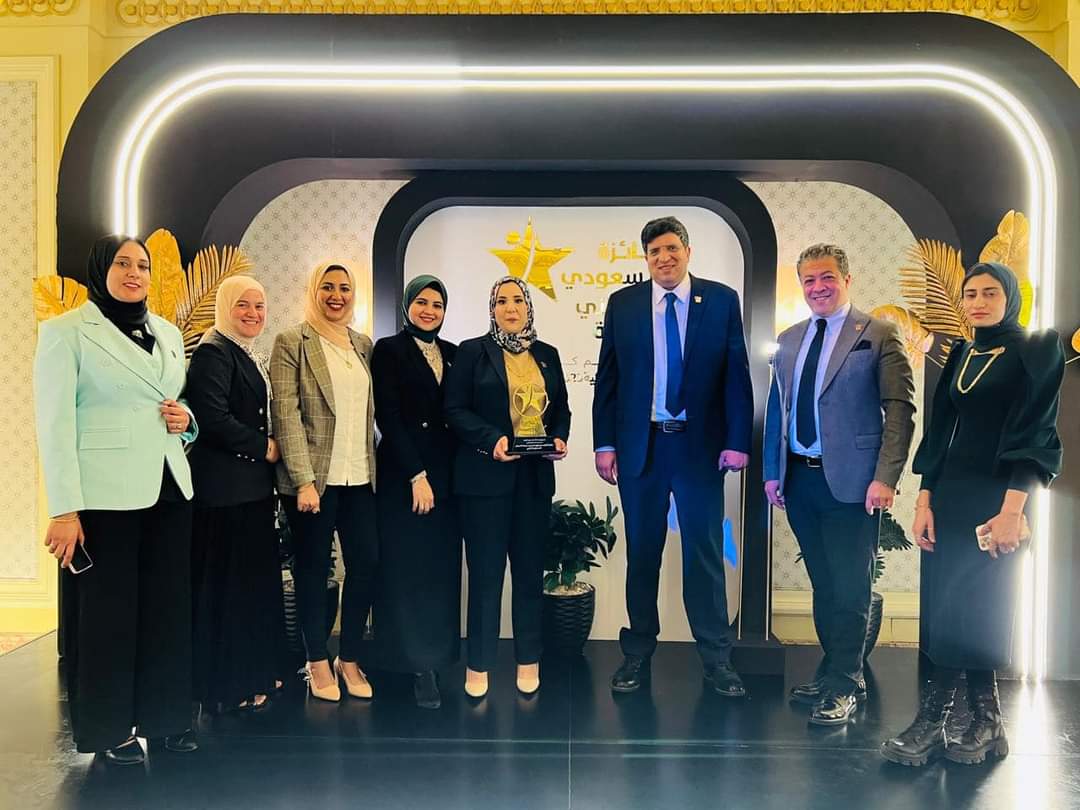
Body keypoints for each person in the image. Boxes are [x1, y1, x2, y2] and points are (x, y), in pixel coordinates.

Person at [881, 261, 1064, 766]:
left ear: (1010, 298)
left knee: (977, 605)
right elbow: (940, 432)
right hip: (951, 495)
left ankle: (933, 721)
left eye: (990, 293)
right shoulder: (962, 352)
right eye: (970, 294)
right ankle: (987, 721)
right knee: (950, 605)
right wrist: (924, 501)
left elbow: (1036, 433)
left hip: (999, 497)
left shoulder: (1036, 348)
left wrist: (1012, 511)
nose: (978, 302)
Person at [33, 235, 199, 764]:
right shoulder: (66, 333)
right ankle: (110, 731)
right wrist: (64, 509)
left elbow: (175, 402)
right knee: (110, 617)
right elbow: (54, 426)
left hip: (169, 487)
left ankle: (166, 718)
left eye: (143, 265)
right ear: (100, 269)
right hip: (104, 497)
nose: (135, 273)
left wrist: (188, 421)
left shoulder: (167, 332)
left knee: (167, 612)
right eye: (123, 263)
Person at [592, 216, 754, 697]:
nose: (663, 258)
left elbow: (736, 376)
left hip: (698, 448)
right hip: (641, 447)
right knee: (643, 553)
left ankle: (717, 659)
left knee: (704, 554)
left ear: (687, 251)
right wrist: (605, 443)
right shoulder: (623, 304)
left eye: (671, 248)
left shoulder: (720, 300)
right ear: (646, 258)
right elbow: (608, 378)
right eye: (654, 251)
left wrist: (737, 440)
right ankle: (637, 654)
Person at [763, 243, 916, 726]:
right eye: (809, 280)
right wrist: (772, 471)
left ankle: (845, 684)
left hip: (855, 483)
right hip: (800, 480)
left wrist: (885, 477)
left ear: (847, 279)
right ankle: (835, 671)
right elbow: (778, 410)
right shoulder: (789, 339)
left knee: (851, 587)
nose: (818, 287)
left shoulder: (878, 334)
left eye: (826, 277)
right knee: (824, 584)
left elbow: (900, 411)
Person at [444, 276, 571, 699]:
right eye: (502, 301)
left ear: (529, 307)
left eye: (518, 300)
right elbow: (454, 410)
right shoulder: (472, 352)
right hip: (484, 482)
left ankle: (528, 659)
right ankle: (479, 663)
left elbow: (562, 410)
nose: (510, 307)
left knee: (529, 575)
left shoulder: (547, 355)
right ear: (492, 308)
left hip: (533, 481)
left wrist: (558, 439)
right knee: (485, 577)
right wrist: (491, 440)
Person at [270, 262, 378, 703]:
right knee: (314, 570)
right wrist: (303, 481)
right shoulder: (291, 341)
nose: (337, 295)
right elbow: (286, 414)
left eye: (345, 288)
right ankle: (316, 659)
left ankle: (348, 658)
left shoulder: (362, 344)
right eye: (328, 287)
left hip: (361, 476)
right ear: (314, 291)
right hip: (314, 482)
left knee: (366, 564)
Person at [186, 276, 286, 713]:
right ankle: (228, 686)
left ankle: (254, 674)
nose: (252, 313)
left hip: (250, 492)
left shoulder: (243, 352)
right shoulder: (213, 351)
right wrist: (264, 447)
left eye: (259, 306)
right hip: (225, 494)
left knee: (249, 589)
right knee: (228, 593)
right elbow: (211, 418)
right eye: (243, 304)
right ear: (225, 306)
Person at [371, 275, 460, 709]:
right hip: (405, 477)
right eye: (422, 302)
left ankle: (437, 658)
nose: (429, 311)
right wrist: (415, 474)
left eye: (437, 305)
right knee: (405, 569)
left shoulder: (454, 353)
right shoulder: (389, 350)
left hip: (446, 478)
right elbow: (388, 416)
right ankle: (409, 662)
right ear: (407, 305)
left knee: (439, 570)